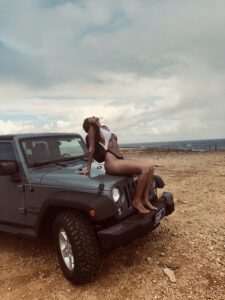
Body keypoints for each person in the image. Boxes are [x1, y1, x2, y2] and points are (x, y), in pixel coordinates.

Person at [81, 116, 157, 214]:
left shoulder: (104, 128)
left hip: (118, 159)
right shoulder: (92, 130)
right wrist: (88, 168)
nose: (93, 116)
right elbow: (91, 149)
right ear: (89, 124)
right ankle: (137, 201)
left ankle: (145, 199)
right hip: (112, 162)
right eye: (90, 118)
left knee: (150, 168)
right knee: (145, 169)